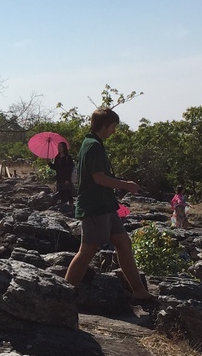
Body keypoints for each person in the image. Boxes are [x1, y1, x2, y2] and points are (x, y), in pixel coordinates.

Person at [64, 107, 152, 304]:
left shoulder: (93, 143)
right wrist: (126, 185)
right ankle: (65, 295)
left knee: (123, 243)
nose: (114, 131)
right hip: (95, 207)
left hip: (106, 205)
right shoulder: (93, 145)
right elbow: (99, 178)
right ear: (104, 125)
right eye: (113, 127)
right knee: (87, 250)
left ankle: (139, 290)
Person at [50, 140, 75, 209]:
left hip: (66, 178)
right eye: (58, 146)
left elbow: (70, 168)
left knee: (68, 193)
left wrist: (67, 179)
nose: (59, 148)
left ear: (64, 147)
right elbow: (55, 167)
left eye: (61, 146)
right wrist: (49, 163)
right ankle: (64, 207)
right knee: (61, 193)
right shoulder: (57, 157)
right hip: (59, 178)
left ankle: (71, 207)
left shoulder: (68, 157)